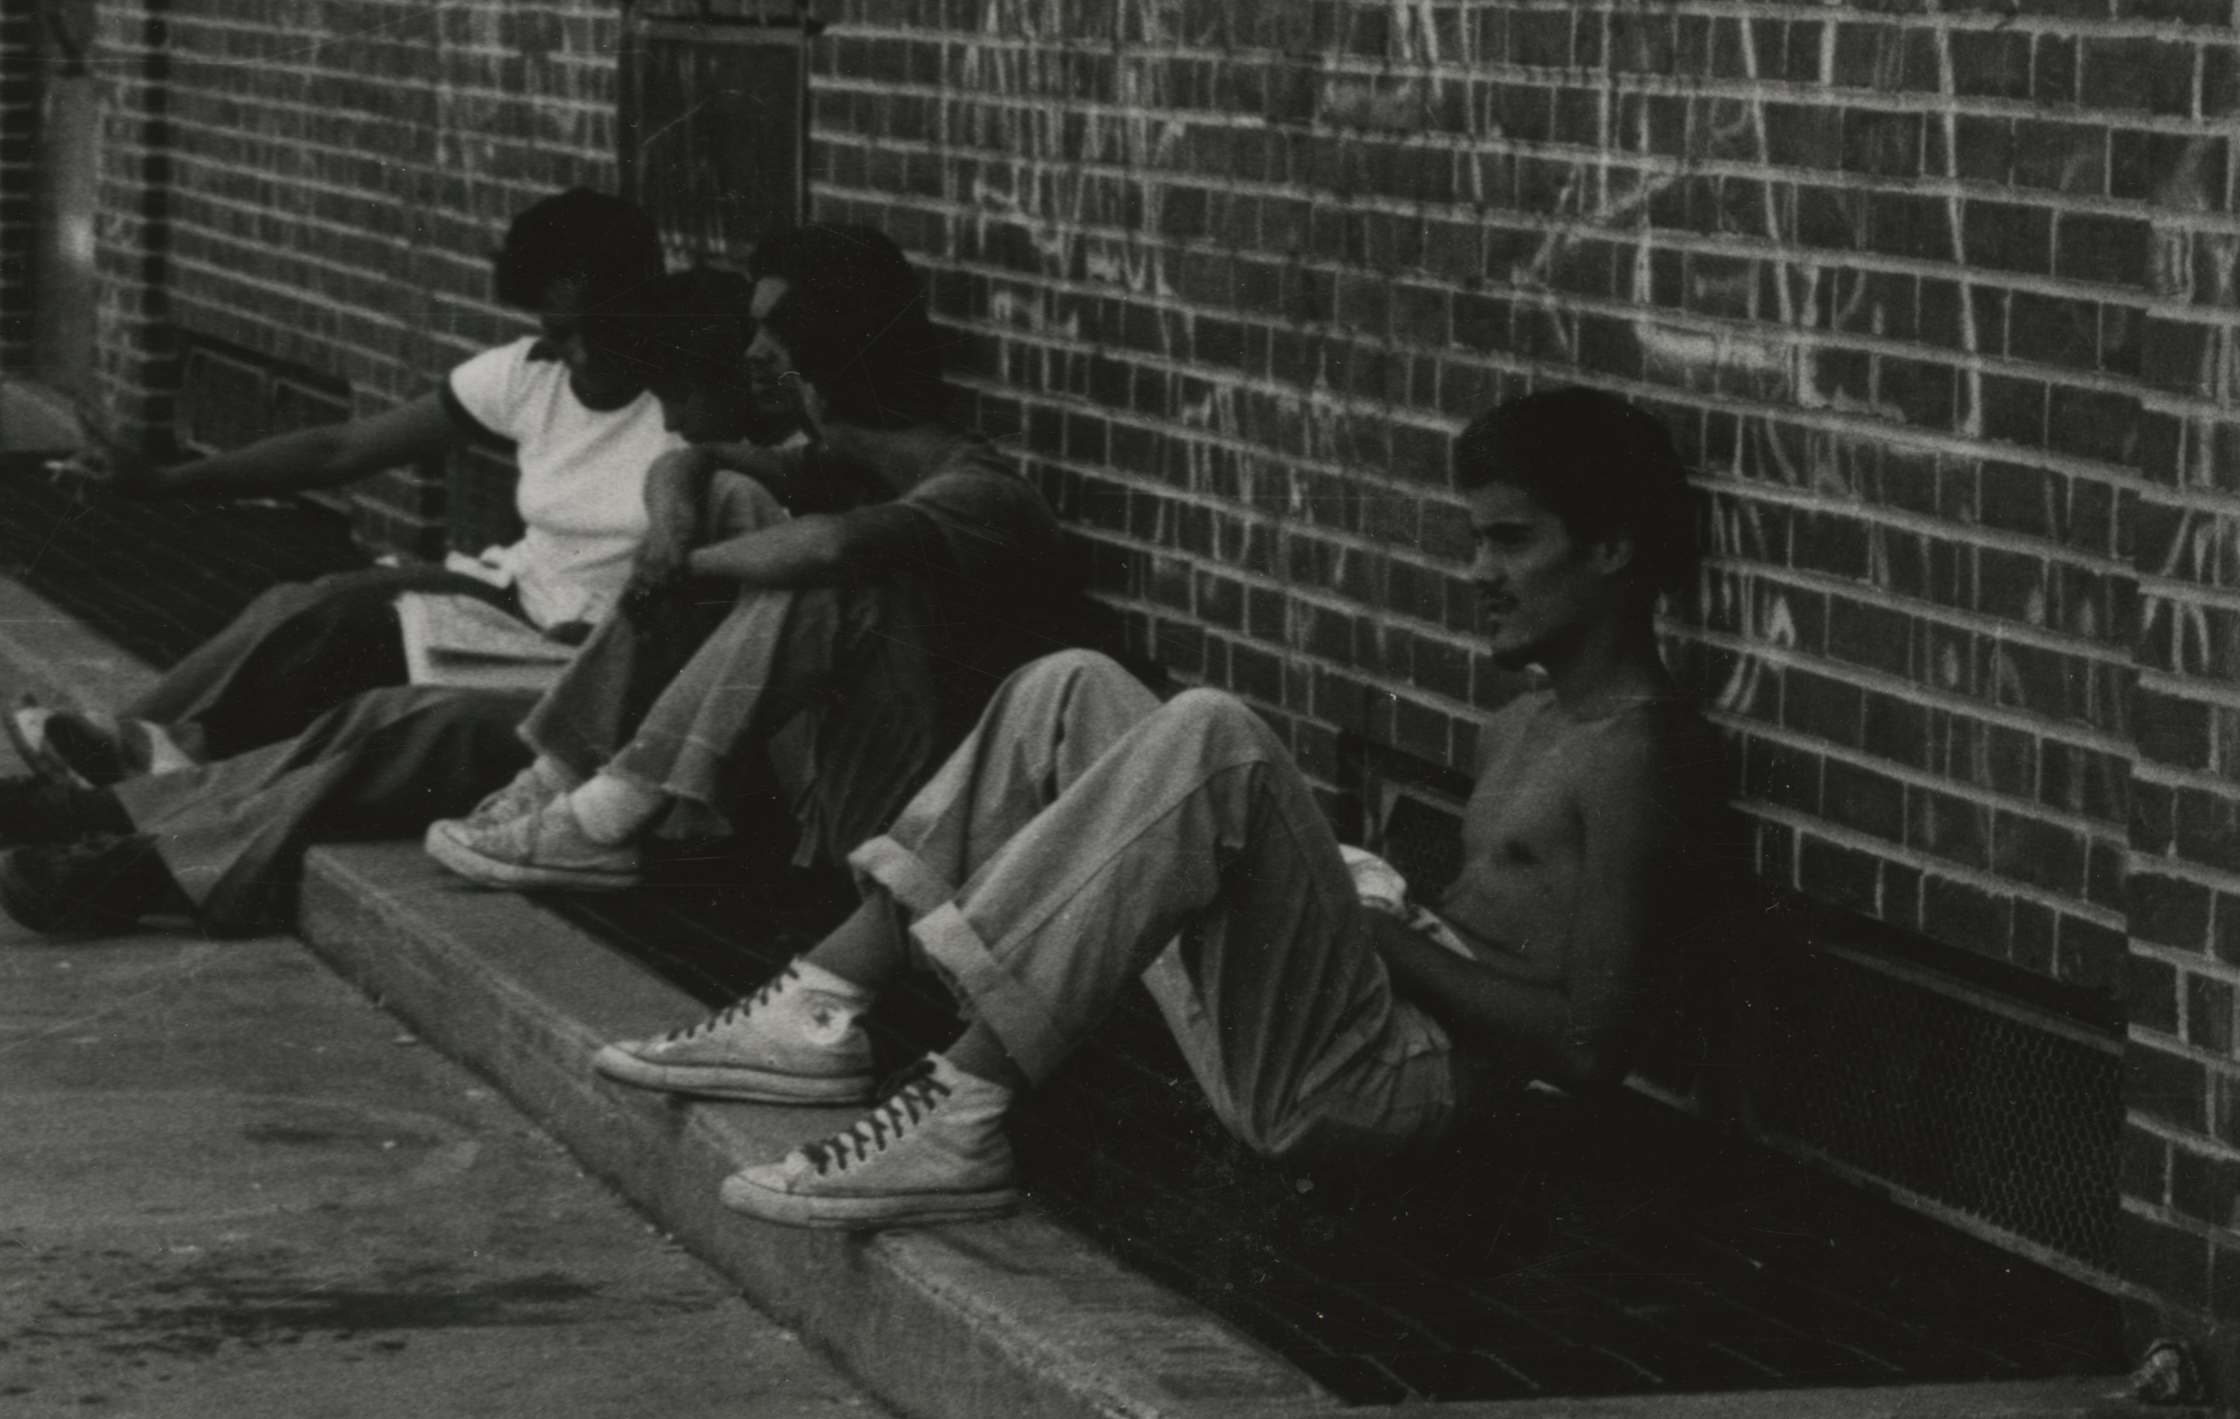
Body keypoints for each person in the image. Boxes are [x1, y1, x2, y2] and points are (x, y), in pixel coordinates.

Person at [588, 386, 1716, 1235]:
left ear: (1612, 549)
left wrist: (1375, 933)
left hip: (1386, 1090)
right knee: (1068, 683)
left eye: (1511, 540)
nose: (1478, 571)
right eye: (1475, 537)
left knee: (1214, 733)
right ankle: (824, 1006)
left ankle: (966, 1109)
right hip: (1361, 1020)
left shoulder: (1637, 754)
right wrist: (1372, 910)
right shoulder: (1528, 719)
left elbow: (1587, 1049)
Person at [0, 268, 768, 939]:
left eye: (685, 400)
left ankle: (146, 859)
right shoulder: (664, 439)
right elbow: (343, 447)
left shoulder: (767, 485)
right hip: (559, 644)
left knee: (404, 724)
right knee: (330, 624)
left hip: (644, 723)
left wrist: (685, 488)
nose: (675, 420)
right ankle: (104, 792)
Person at [417, 231, 1079, 892]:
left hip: (924, 818)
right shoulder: (844, 468)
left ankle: (605, 818)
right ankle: (561, 778)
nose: (751, 353)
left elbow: (832, 548)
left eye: (772, 333)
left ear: (830, 349)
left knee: (834, 583)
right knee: (726, 496)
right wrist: (671, 539)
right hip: (822, 780)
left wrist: (689, 569)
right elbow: (686, 462)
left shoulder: (982, 491)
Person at [0, 188, 677, 780]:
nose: (582, 353)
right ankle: (120, 746)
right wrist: (163, 481)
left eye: (605, 328)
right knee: (312, 604)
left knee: (342, 666)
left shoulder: (694, 401)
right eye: (562, 331)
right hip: (515, 596)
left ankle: (131, 763)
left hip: (588, 640)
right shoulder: (530, 375)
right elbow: (336, 448)